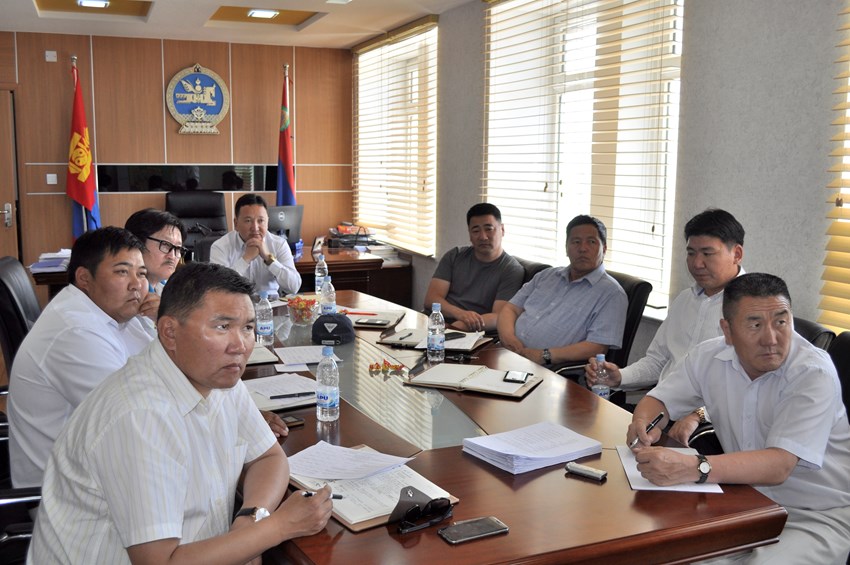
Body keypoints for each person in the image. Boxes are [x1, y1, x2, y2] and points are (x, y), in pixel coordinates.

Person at [29, 262, 333, 563]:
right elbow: (160, 562)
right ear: (170, 332)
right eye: (222, 327)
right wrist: (276, 528)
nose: (240, 345)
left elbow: (268, 457)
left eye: (248, 328)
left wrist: (250, 522)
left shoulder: (217, 375)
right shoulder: (140, 415)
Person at [628, 273, 850, 564]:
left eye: (781, 322)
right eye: (755, 325)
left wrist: (695, 467)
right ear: (728, 330)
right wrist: (643, 424)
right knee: (667, 551)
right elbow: (658, 401)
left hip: (817, 514)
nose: (771, 339)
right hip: (743, 501)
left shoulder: (811, 372)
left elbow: (779, 465)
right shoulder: (708, 357)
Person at [7, 227, 154, 488]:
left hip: (106, 469)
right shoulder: (74, 331)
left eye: (142, 273)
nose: (137, 284)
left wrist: (166, 323)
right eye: (122, 272)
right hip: (68, 495)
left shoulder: (119, 313)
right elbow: (136, 420)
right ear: (84, 278)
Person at [585, 208, 744, 439]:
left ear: (736, 254)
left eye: (707, 253)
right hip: (660, 416)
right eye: (691, 253)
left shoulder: (753, 307)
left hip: (708, 431)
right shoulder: (684, 300)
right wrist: (619, 377)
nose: (697, 263)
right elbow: (658, 361)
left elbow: (751, 386)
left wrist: (700, 415)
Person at [497, 215, 627, 366]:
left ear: (604, 249)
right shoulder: (547, 275)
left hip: (547, 369)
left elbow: (597, 347)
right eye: (576, 242)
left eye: (591, 242)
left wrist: (544, 355)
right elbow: (511, 308)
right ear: (566, 248)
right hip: (507, 353)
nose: (583, 248)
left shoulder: (612, 294)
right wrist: (509, 338)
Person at [423, 203, 524, 332]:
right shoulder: (455, 255)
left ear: (502, 230)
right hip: (436, 323)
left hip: (469, 332)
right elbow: (431, 299)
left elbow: (498, 316)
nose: (483, 237)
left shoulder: (511, 270)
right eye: (476, 231)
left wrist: (458, 327)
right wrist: (460, 314)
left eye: (489, 229)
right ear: (470, 235)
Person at [210, 193, 301, 297]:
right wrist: (246, 259)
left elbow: (294, 287)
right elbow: (219, 289)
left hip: (272, 304)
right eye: (248, 221)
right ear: (236, 224)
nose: (255, 227)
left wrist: (269, 259)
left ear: (267, 222)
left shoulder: (279, 244)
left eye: (260, 221)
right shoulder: (220, 246)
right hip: (236, 305)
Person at [125, 207, 187, 296]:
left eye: (178, 248)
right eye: (165, 245)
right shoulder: (124, 295)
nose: (172, 256)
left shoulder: (172, 291)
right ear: (137, 243)